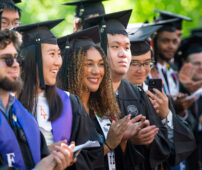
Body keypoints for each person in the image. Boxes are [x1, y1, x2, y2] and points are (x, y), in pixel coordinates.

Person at [0, 11, 74, 170]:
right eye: (7, 59)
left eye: (17, 58)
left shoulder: (23, 115)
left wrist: (56, 164)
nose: (15, 64)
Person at [84, 10, 171, 169]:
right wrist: (123, 140)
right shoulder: (85, 96)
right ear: (99, 50)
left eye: (127, 47)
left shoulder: (138, 94)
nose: (123, 54)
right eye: (115, 47)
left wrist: (145, 139)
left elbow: (164, 149)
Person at [16, 21, 101, 170]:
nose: (58, 62)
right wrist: (45, 152)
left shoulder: (69, 102)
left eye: (59, 54)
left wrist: (67, 158)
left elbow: (92, 155)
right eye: (52, 54)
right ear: (32, 58)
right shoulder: (11, 104)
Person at [58, 26, 144, 170]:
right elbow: (70, 164)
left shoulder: (101, 111)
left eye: (101, 64)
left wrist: (122, 139)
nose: (97, 71)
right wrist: (108, 145)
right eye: (89, 64)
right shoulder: (64, 112)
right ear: (73, 68)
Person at [125, 24, 196, 169]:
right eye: (135, 63)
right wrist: (129, 140)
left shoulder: (155, 92)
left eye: (147, 63)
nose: (142, 70)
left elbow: (180, 144)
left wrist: (166, 114)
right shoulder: (115, 94)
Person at [175, 35, 202, 170]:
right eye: (197, 63)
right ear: (185, 64)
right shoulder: (178, 92)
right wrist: (200, 121)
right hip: (190, 161)